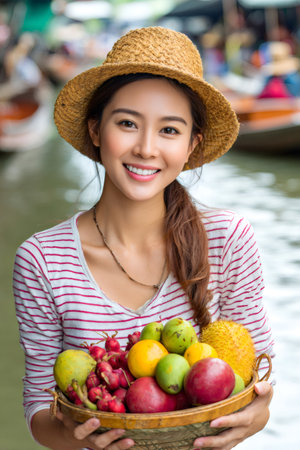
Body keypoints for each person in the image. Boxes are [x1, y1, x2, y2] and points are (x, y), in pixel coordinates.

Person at [13, 27, 274, 450]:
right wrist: (73, 437)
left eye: (170, 130)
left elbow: (257, 382)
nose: (146, 148)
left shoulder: (228, 240)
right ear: (96, 131)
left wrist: (257, 416)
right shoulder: (42, 260)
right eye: (128, 123)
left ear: (192, 145)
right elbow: (40, 410)